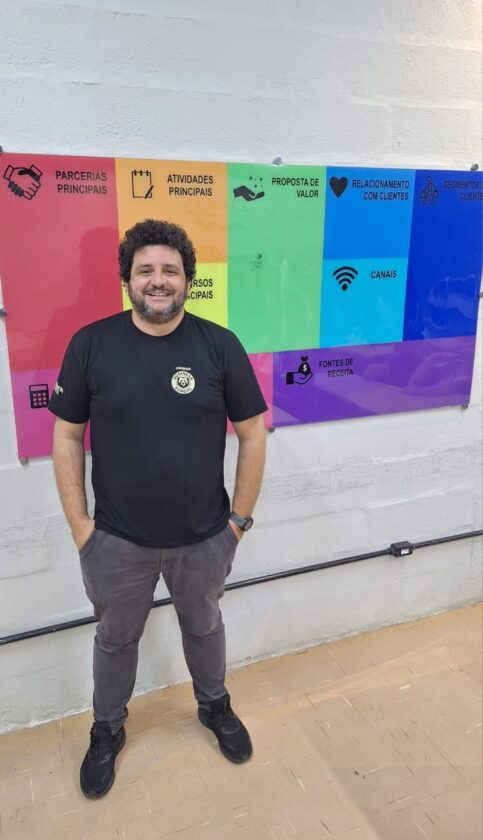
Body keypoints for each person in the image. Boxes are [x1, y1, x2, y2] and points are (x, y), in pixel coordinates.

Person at [49, 219, 267, 798]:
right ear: (128, 279)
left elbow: (253, 433)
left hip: (205, 537)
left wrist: (237, 524)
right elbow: (66, 436)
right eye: (145, 270)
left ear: (188, 279)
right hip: (115, 541)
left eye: (170, 270)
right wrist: (81, 528)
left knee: (204, 626)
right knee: (115, 640)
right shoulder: (91, 344)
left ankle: (214, 705)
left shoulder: (219, 345)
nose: (158, 280)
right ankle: (106, 729)